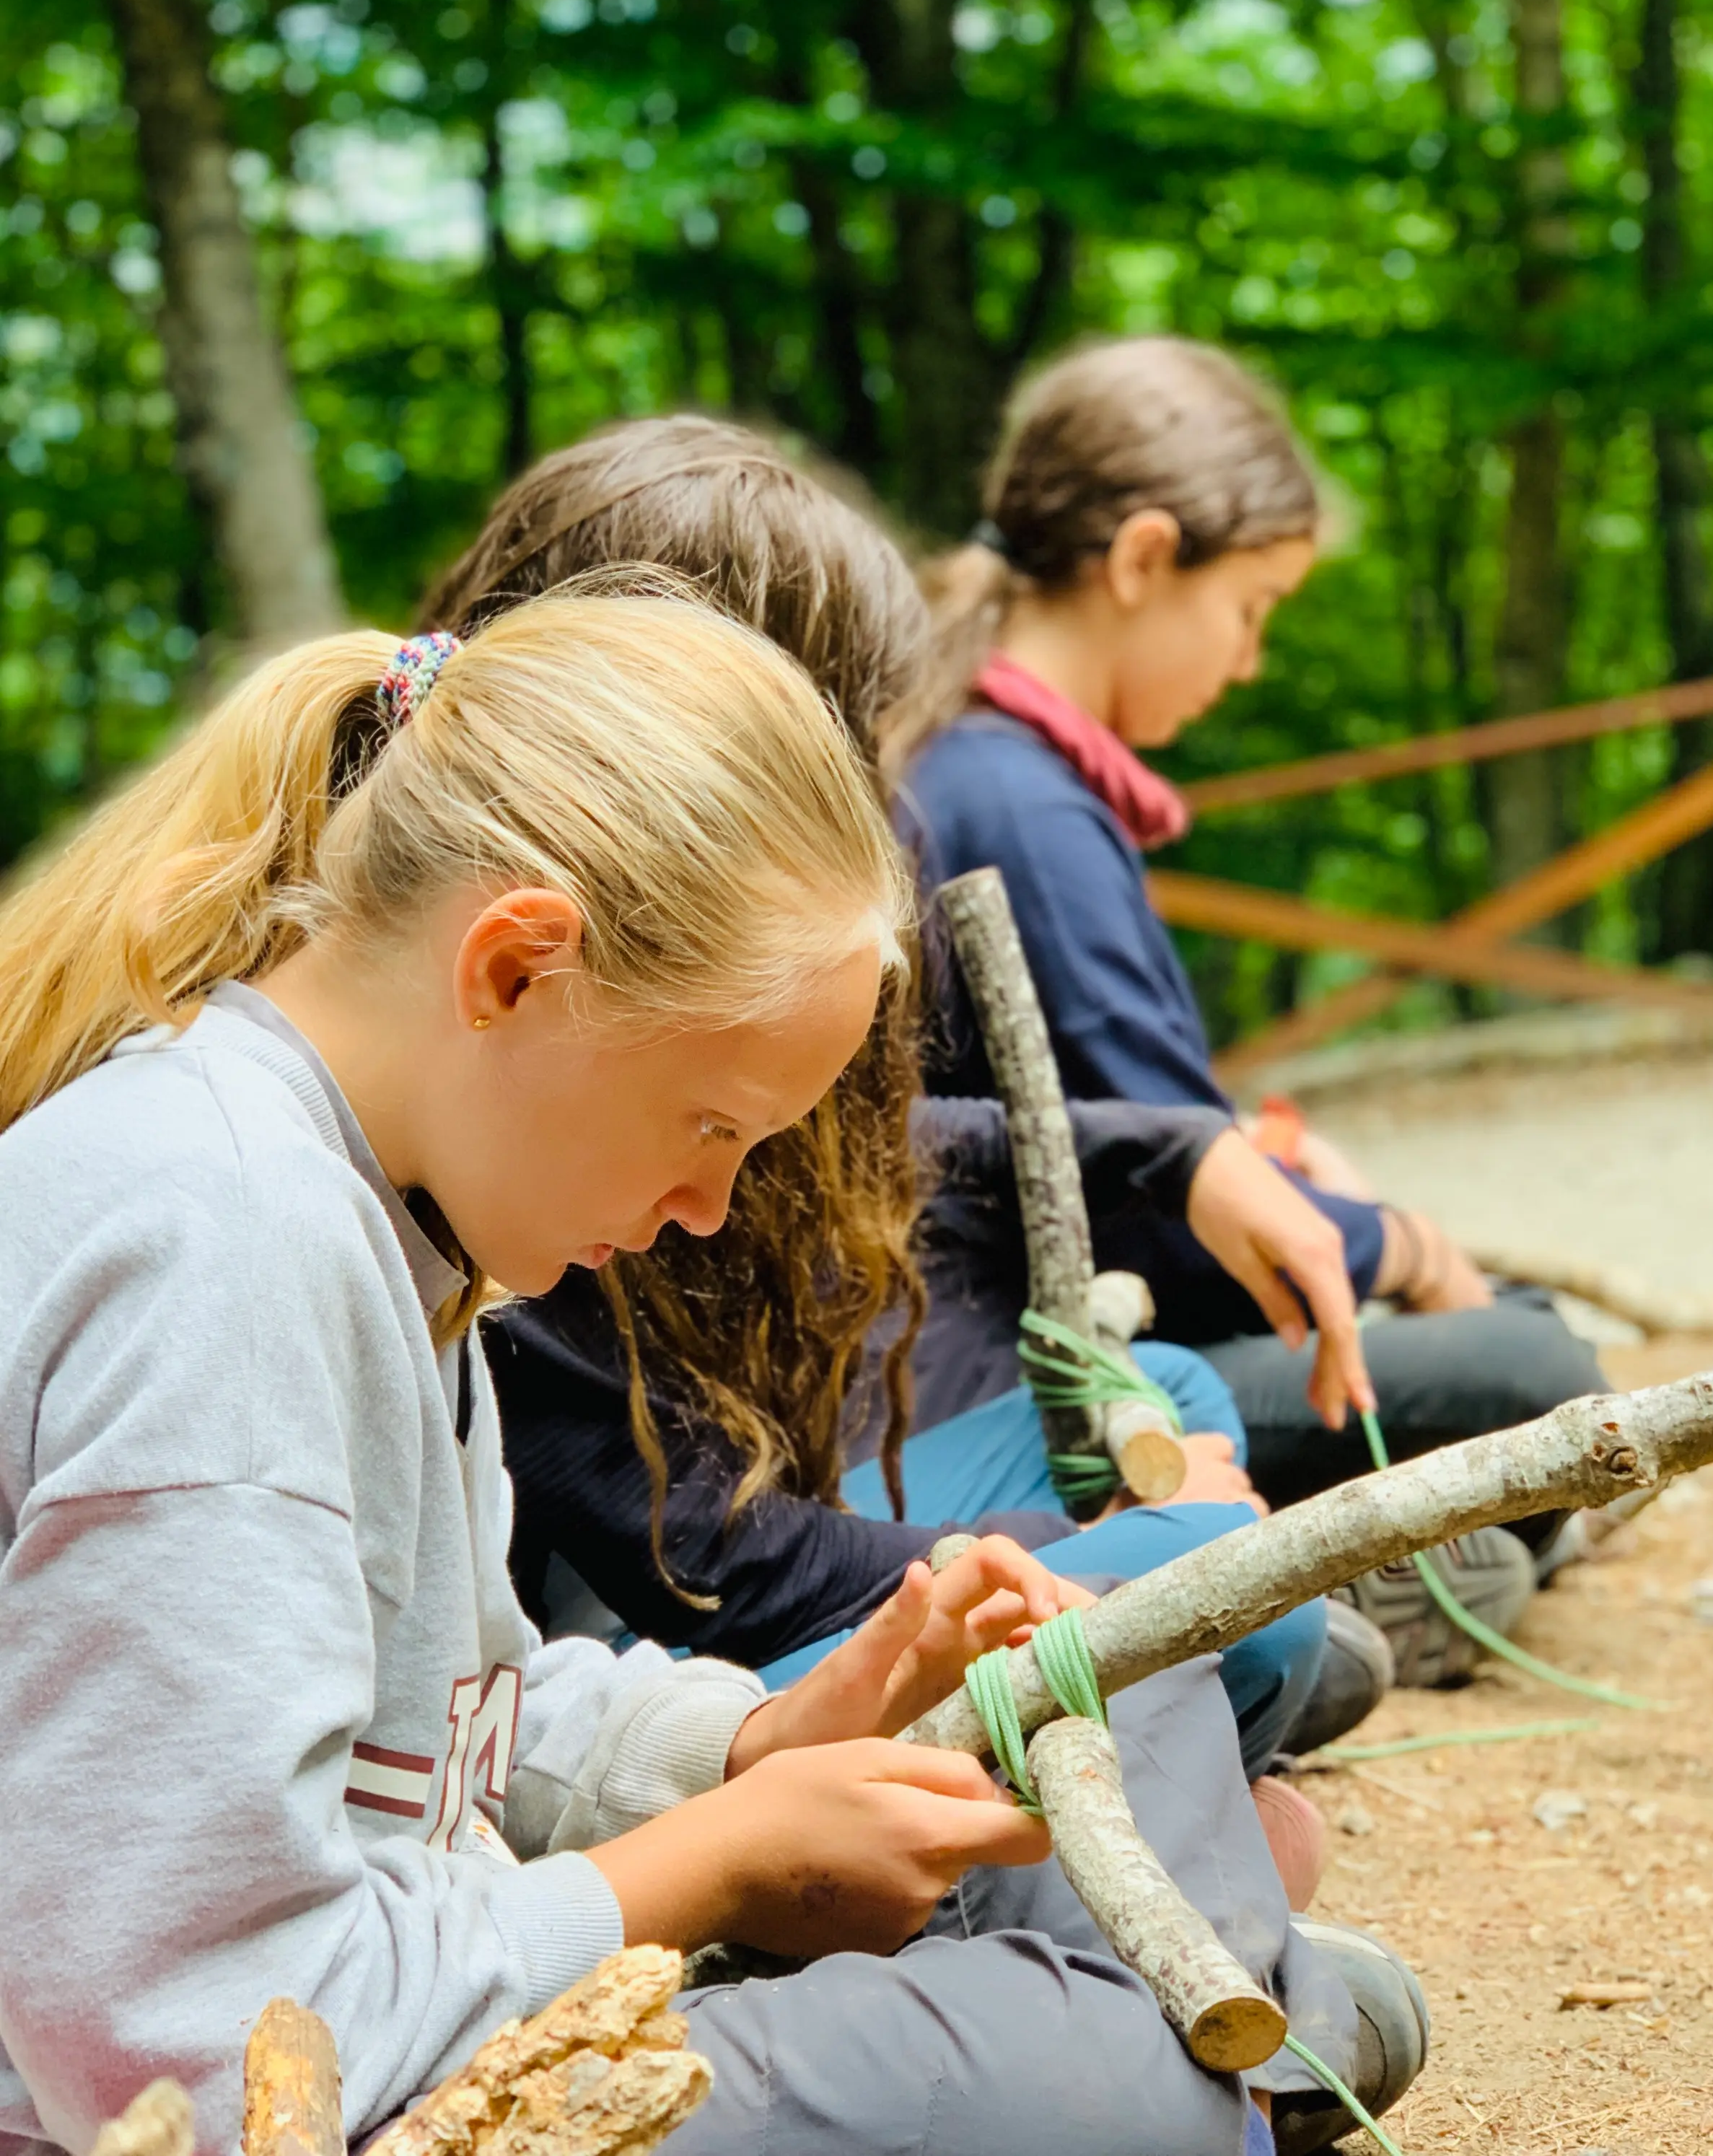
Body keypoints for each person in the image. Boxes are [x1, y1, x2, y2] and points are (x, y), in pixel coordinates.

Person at [0, 590, 1427, 2156]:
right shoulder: (225, 1246)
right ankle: (1223, 2019)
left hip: (426, 1985)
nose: (709, 1207)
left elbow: (460, 1726)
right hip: (309, 2102)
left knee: (1095, 1667)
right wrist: (711, 1865)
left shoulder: (380, 1213)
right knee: (1114, 2076)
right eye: (712, 1126)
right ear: (515, 970)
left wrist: (771, 1739)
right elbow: (190, 2049)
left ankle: (1197, 2024)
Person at [419, 417, 1396, 1775]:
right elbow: (706, 1558)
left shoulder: (538, 1002)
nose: (886, 801)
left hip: (716, 1587)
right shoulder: (519, 1079)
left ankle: (1179, 1699)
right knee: (1237, 1575)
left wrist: (1175, 1155)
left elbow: (880, 1153)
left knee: (1178, 1428)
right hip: (629, 1665)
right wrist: (1089, 1550)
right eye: (858, 747)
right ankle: (1178, 1718)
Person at [904, 333, 1605, 1683]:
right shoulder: (1027, 808)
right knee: (1536, 1363)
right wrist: (1404, 1246)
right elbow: (1173, 1224)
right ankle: (1322, 1565)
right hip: (1051, 1368)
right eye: (1252, 607)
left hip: (1063, 1325)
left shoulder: (987, 765)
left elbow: (1134, 1128)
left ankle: (1356, 1564)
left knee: (1504, 1329)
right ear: (1143, 558)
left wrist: (1272, 1163)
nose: (1251, 660)